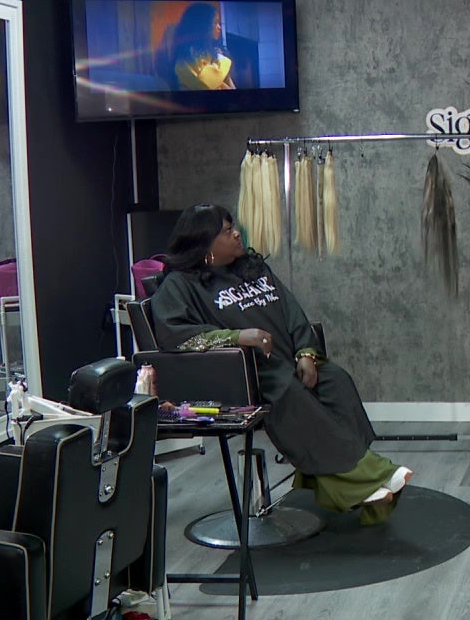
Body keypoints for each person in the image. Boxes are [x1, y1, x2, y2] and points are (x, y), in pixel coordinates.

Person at [150, 204, 411, 524]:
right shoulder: (180, 285)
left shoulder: (252, 268)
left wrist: (306, 353)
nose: (237, 234)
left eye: (234, 227)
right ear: (204, 243)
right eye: (227, 230)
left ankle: (344, 485)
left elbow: (292, 312)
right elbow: (176, 337)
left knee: (335, 380)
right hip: (244, 379)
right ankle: (371, 475)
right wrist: (237, 336)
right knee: (287, 389)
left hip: (284, 363)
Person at [171, 3, 236, 90]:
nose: (219, 27)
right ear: (203, 26)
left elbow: (229, 84)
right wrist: (224, 62)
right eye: (215, 23)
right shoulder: (185, 59)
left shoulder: (215, 52)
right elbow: (205, 84)